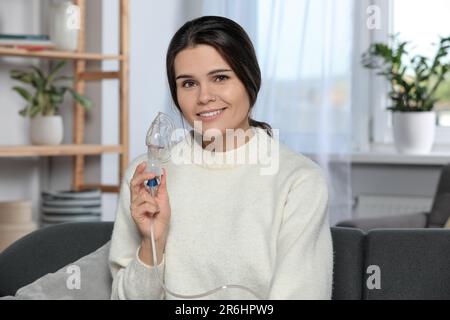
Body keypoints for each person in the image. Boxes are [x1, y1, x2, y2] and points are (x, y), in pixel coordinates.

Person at [108, 15, 333, 300]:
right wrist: (152, 243)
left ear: (249, 79)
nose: (204, 97)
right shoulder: (146, 179)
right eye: (188, 83)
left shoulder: (298, 181)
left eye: (220, 78)